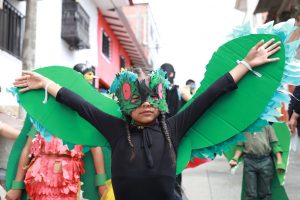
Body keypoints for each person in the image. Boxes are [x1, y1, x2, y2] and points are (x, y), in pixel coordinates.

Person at [13, 38, 281, 200]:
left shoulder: (174, 128)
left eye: (152, 96)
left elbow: (211, 95)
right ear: (124, 103)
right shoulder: (115, 130)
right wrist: (45, 82)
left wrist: (246, 64)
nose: (145, 103)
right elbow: (78, 103)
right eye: (136, 97)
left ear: (162, 98)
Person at [229, 125, 285, 199]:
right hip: (249, 161)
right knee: (250, 193)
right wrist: (235, 158)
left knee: (265, 193)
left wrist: (279, 161)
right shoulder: (244, 127)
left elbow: (274, 144)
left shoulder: (267, 126)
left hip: (265, 160)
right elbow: (240, 146)